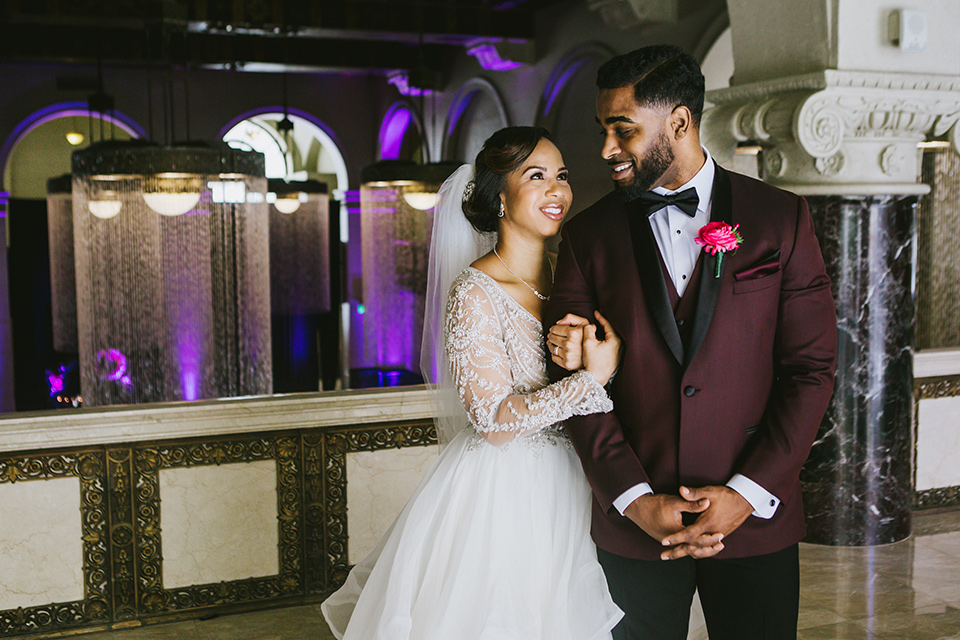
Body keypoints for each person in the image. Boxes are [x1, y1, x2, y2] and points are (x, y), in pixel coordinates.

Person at [544, 46, 838, 640]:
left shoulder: (781, 219)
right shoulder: (586, 238)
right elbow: (569, 385)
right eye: (603, 130)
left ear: (678, 122)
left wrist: (746, 494)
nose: (606, 150)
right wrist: (632, 498)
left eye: (622, 130)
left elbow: (811, 369)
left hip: (755, 520)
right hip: (635, 526)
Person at [321, 126, 627, 639]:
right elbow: (493, 421)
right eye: (537, 176)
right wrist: (591, 378)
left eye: (563, 176)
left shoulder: (571, 278)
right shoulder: (475, 291)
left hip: (582, 477)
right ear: (500, 198)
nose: (558, 190)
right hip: (506, 492)